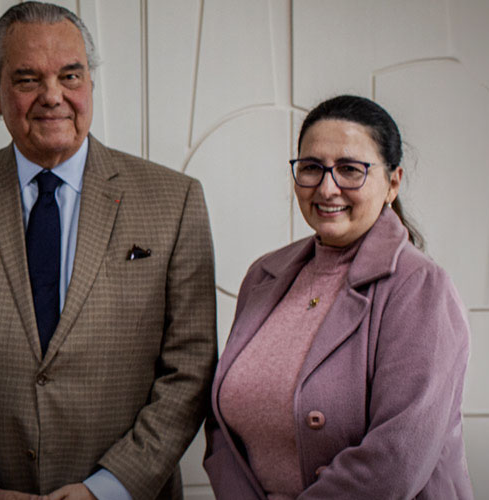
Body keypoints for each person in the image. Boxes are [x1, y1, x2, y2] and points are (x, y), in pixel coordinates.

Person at [0, 2, 217, 499]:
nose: (53, 97)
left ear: (90, 81)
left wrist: (109, 488)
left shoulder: (174, 199)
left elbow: (192, 368)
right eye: (27, 80)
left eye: (70, 75)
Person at [202, 95, 472, 499]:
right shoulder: (263, 276)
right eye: (312, 168)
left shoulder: (420, 287)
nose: (327, 188)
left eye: (350, 169)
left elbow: (396, 459)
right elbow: (222, 424)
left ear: (392, 183)